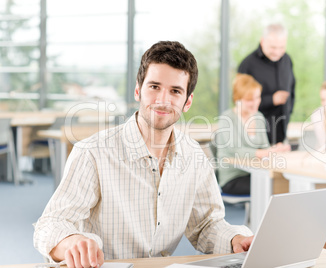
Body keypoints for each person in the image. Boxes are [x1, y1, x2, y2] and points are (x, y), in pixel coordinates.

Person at [33, 41, 253, 267]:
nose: (163, 100)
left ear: (187, 102)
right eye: (154, 87)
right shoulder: (93, 153)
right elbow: (50, 223)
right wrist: (71, 242)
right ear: (138, 90)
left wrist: (235, 239)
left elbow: (206, 224)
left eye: (175, 91)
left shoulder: (194, 156)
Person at [216, 74, 290, 195]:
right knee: (269, 186)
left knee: (282, 182)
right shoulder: (227, 118)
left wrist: (275, 149)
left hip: (255, 172)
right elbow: (236, 150)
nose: (256, 103)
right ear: (237, 99)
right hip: (233, 178)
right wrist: (266, 152)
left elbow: (265, 147)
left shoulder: (258, 117)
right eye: (250, 100)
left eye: (258, 97)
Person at [238, 23, 295, 146]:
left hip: (281, 134)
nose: (277, 52)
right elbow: (239, 102)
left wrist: (289, 112)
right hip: (255, 136)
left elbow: (292, 91)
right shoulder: (248, 65)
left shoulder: (287, 60)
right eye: (273, 47)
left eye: (281, 47)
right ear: (262, 41)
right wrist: (272, 100)